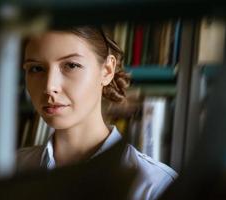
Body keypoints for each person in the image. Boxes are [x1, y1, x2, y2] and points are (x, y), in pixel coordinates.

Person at [17, 26, 177, 199]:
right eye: (36, 69)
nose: (49, 87)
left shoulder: (157, 186)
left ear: (107, 70)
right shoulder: (8, 170)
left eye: (71, 65)